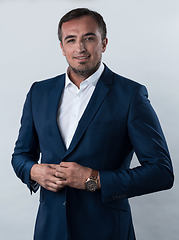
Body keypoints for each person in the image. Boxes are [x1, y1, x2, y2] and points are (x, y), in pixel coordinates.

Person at [12, 8, 174, 240]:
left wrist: (94, 180)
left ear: (104, 43)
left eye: (89, 38)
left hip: (106, 231)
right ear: (62, 47)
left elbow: (162, 172)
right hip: (50, 230)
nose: (80, 48)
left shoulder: (130, 95)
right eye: (71, 40)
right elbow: (20, 156)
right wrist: (33, 171)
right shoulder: (39, 92)